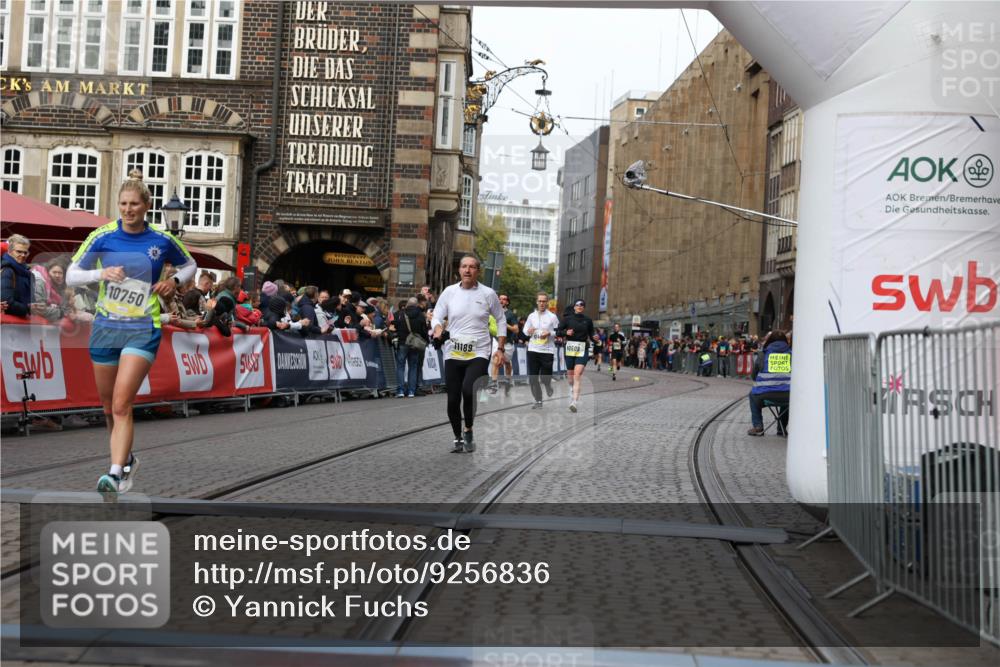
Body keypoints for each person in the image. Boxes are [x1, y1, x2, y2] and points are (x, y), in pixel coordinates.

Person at [66, 170, 196, 494]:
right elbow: (71, 274)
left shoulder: (162, 240)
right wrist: (101, 273)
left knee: (123, 402)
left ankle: (115, 474)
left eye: (134, 204)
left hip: (142, 328)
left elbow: (190, 265)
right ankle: (125, 459)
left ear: (146, 206)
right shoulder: (102, 236)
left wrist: (174, 281)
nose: (128, 209)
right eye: (123, 204)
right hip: (106, 327)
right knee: (109, 407)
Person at [431, 255, 505, 453]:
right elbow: (437, 315)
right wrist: (437, 328)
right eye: (464, 266)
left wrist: (500, 348)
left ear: (477, 271)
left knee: (468, 389)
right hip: (453, 351)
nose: (467, 270)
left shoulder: (488, 293)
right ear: (459, 270)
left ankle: (468, 428)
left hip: (479, 351)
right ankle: (458, 437)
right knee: (453, 398)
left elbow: (501, 319)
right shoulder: (449, 292)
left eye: (472, 267)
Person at [557, 299, 599, 413]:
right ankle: (571, 389)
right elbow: (558, 332)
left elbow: (591, 334)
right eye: (578, 305)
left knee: (577, 374)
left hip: (582, 349)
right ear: (574, 307)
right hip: (570, 349)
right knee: (570, 377)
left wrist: (595, 338)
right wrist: (565, 333)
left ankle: (574, 402)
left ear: (583, 308)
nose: (580, 306)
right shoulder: (567, 319)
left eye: (582, 305)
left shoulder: (588, 320)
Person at [747, 330, 792, 436]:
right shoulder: (792, 354)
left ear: (769, 341)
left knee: (752, 395)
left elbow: (753, 376)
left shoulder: (762, 354)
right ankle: (781, 428)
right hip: (788, 395)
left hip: (765, 395)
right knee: (787, 397)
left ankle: (758, 426)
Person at [523, 292, 560, 409]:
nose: (542, 303)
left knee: (545, 377)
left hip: (547, 351)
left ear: (547, 302)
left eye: (544, 301)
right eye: (540, 301)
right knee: (533, 378)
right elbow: (524, 330)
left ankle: (548, 385)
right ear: (536, 302)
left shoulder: (552, 317)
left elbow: (558, 332)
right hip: (533, 349)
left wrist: (549, 333)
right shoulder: (531, 316)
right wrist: (528, 331)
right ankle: (538, 400)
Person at [395, 296, 428, 398]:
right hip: (415, 343)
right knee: (413, 366)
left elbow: (396, 326)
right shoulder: (421, 315)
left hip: (403, 342)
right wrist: (424, 340)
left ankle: (401, 390)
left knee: (400, 366)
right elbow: (424, 331)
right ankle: (411, 391)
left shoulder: (401, 314)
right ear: (417, 304)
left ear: (407, 304)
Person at [1, 234, 40, 317]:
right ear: (10, 251)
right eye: (19, 252)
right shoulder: (7, 270)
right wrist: (27, 309)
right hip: (10, 322)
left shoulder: (28, 273)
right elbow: (6, 302)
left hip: (24, 321)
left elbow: (32, 300)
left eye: (25, 252)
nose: (23, 255)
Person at [488, 293, 519, 396]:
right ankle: (494, 384)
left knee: (507, 362)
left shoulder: (510, 314)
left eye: (504, 299)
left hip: (507, 343)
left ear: (507, 302)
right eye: (499, 299)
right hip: (496, 341)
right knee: (495, 361)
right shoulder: (492, 313)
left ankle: (508, 381)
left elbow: (516, 330)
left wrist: (505, 324)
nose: (501, 301)